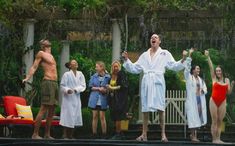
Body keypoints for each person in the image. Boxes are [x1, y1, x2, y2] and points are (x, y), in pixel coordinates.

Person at [122, 34, 187, 142]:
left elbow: (174, 66)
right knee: (145, 109)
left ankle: (163, 134)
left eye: (155, 37)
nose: (153, 38)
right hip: (147, 82)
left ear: (159, 41)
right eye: (151, 37)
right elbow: (135, 68)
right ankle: (144, 134)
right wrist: (126, 60)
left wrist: (184, 59)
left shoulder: (164, 53)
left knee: (161, 108)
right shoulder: (144, 55)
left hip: (158, 81)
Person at [23, 39, 58, 139]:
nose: (47, 40)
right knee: (44, 108)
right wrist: (27, 77)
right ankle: (35, 134)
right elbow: (34, 67)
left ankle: (47, 134)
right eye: (45, 41)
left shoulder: (51, 55)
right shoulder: (41, 53)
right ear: (42, 45)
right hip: (47, 82)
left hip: (54, 83)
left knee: (52, 110)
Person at [205, 50, 234, 144]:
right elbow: (210, 67)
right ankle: (214, 139)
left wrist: (232, 85)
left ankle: (218, 138)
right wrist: (208, 57)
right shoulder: (214, 78)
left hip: (222, 101)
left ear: (222, 71)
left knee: (220, 121)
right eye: (216, 70)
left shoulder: (226, 80)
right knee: (214, 120)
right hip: (213, 100)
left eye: (219, 70)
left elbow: (229, 92)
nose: (217, 72)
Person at [184, 49, 207, 142]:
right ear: (193, 70)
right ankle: (193, 136)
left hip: (199, 102)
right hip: (192, 101)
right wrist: (189, 55)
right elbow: (187, 68)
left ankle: (194, 135)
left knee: (197, 118)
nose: (198, 70)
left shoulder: (201, 80)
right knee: (192, 118)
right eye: (197, 69)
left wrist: (202, 91)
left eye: (199, 69)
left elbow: (205, 89)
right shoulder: (189, 77)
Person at [60, 60, 86, 139]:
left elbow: (83, 85)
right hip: (68, 98)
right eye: (73, 63)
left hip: (76, 97)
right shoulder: (66, 74)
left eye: (76, 63)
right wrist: (68, 90)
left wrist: (76, 89)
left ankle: (71, 135)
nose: (75, 64)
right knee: (67, 116)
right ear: (70, 66)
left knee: (74, 116)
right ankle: (64, 135)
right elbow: (62, 86)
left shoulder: (80, 74)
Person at [88, 61, 110, 138]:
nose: (95, 68)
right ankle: (94, 134)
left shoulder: (108, 77)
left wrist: (106, 90)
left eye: (97, 67)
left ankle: (104, 134)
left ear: (102, 67)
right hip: (94, 99)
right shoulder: (93, 76)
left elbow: (109, 88)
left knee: (102, 117)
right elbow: (90, 87)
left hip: (103, 99)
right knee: (94, 116)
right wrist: (99, 88)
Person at [107, 61, 128, 140]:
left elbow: (123, 86)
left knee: (118, 116)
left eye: (117, 66)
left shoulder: (121, 74)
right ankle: (117, 132)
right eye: (114, 66)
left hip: (120, 99)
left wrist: (112, 88)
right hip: (112, 98)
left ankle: (118, 133)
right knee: (114, 116)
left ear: (119, 67)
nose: (115, 68)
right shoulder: (110, 76)